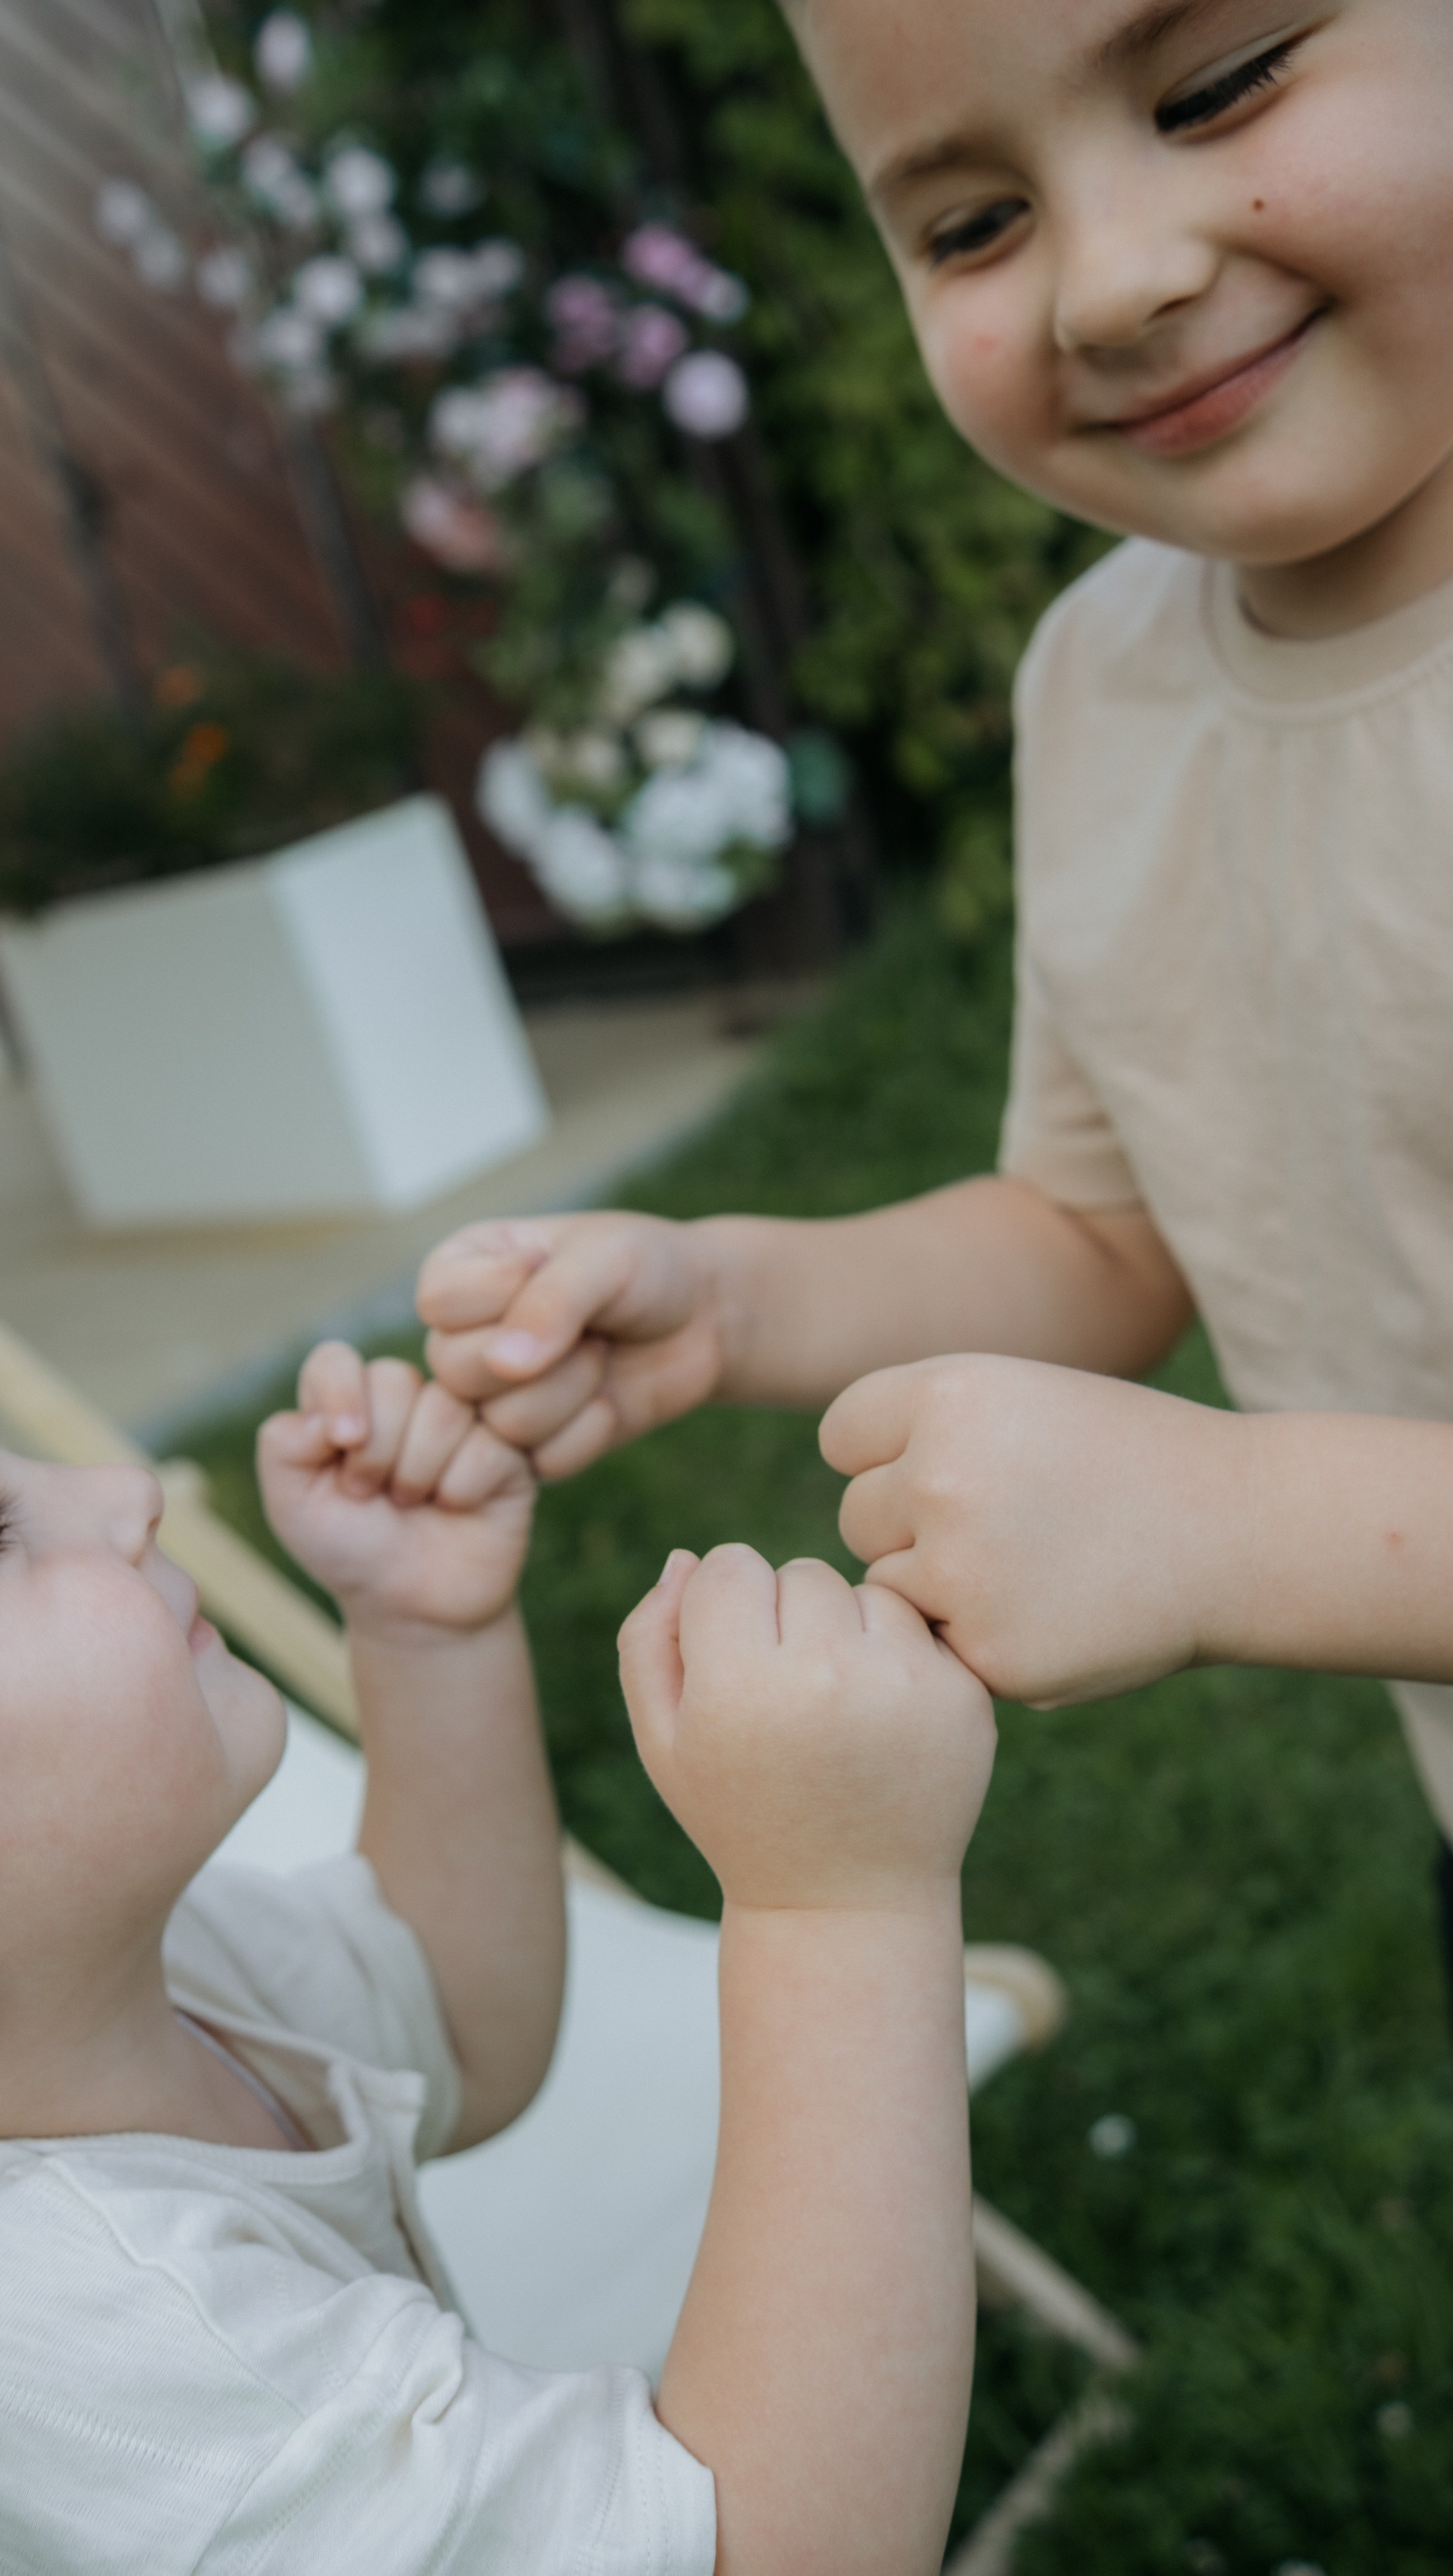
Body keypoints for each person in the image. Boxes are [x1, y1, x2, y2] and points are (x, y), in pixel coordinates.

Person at [416, 0, 1453, 1980]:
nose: (1115, 281)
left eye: (1221, 85)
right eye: (971, 225)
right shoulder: (1103, 682)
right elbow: (1106, 1228)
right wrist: (731, 1301)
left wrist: (1237, 1525)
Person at [0, 1317, 994, 2576]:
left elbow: (452, 2019)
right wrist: (839, 1905)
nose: (125, 1493)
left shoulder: (73, 1995)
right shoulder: (98, 2364)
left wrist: (426, 1640)